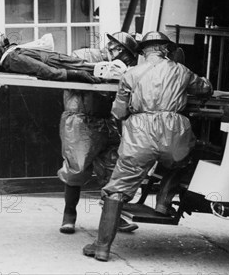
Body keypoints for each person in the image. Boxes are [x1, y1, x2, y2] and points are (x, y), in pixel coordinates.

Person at [83, 31, 212, 262]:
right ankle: (163, 201)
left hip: (140, 134)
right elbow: (205, 88)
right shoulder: (182, 71)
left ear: (143, 51)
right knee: (184, 159)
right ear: (166, 49)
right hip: (174, 131)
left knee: (116, 190)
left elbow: (118, 112)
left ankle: (101, 248)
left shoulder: (131, 73)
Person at [58, 32, 140, 236]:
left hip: (106, 120)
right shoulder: (85, 55)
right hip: (80, 119)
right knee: (76, 169)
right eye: (129, 57)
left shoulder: (123, 68)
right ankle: (69, 215)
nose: (130, 62)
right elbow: (67, 76)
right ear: (119, 50)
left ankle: (113, 217)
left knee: (114, 169)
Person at [0, 33, 101, 83]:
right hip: (62, 64)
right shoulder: (13, 59)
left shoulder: (9, 58)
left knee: (97, 68)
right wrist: (76, 74)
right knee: (100, 70)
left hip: (60, 61)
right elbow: (44, 70)